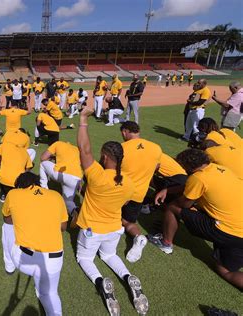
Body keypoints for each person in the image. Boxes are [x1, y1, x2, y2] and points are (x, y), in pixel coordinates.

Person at [74, 108, 149, 316]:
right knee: (109, 255)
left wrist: (83, 119)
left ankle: (100, 281)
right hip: (115, 229)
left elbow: (84, 149)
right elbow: (125, 200)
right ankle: (127, 277)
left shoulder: (97, 175)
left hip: (92, 230)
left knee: (85, 259)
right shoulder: (129, 182)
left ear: (105, 157)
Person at [148, 149, 243, 289]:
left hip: (225, 230)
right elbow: (189, 186)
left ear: (189, 167)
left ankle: (166, 243)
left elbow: (184, 204)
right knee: (226, 270)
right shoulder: (221, 168)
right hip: (240, 232)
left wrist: (168, 194)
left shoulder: (198, 178)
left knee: (173, 207)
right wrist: (168, 190)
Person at [1, 172, 67, 315]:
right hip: (53, 262)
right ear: (37, 183)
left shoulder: (13, 194)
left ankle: (9, 265)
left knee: (6, 227)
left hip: (23, 260)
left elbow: (7, 220)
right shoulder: (56, 195)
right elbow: (63, 227)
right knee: (49, 294)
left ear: (19, 186)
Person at [120, 121, 162, 263]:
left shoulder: (122, 147)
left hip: (120, 192)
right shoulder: (156, 148)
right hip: (139, 194)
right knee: (129, 222)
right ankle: (138, 237)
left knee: (112, 216)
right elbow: (157, 167)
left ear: (125, 131)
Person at [40, 141, 82, 215]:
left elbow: (43, 158)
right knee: (68, 202)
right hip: (76, 179)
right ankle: (76, 213)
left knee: (43, 164)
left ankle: (44, 190)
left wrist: (52, 157)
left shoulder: (58, 143)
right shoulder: (76, 149)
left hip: (61, 174)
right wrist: (80, 183)